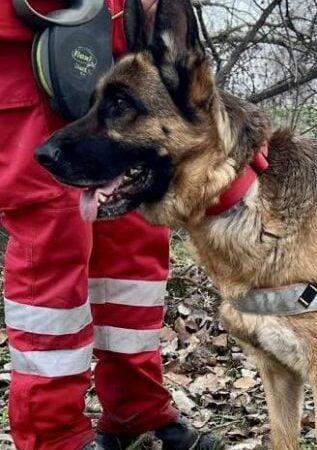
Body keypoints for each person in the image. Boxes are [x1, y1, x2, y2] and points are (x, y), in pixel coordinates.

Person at [0, 1, 223, 449]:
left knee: (135, 243)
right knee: (54, 245)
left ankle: (136, 411)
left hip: (112, 40)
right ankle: (54, 434)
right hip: (27, 46)